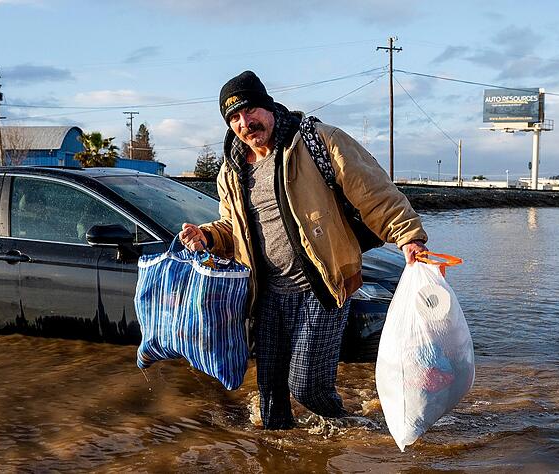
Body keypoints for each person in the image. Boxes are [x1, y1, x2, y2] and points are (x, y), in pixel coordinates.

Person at [178, 70, 428, 429]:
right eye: (234, 117)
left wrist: (409, 236)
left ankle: (352, 429)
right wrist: (207, 237)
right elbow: (234, 230)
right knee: (271, 404)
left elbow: (373, 191)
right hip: (266, 295)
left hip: (323, 286)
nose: (245, 122)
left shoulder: (316, 141)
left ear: (267, 106)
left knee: (307, 385)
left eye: (250, 111)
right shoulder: (230, 172)